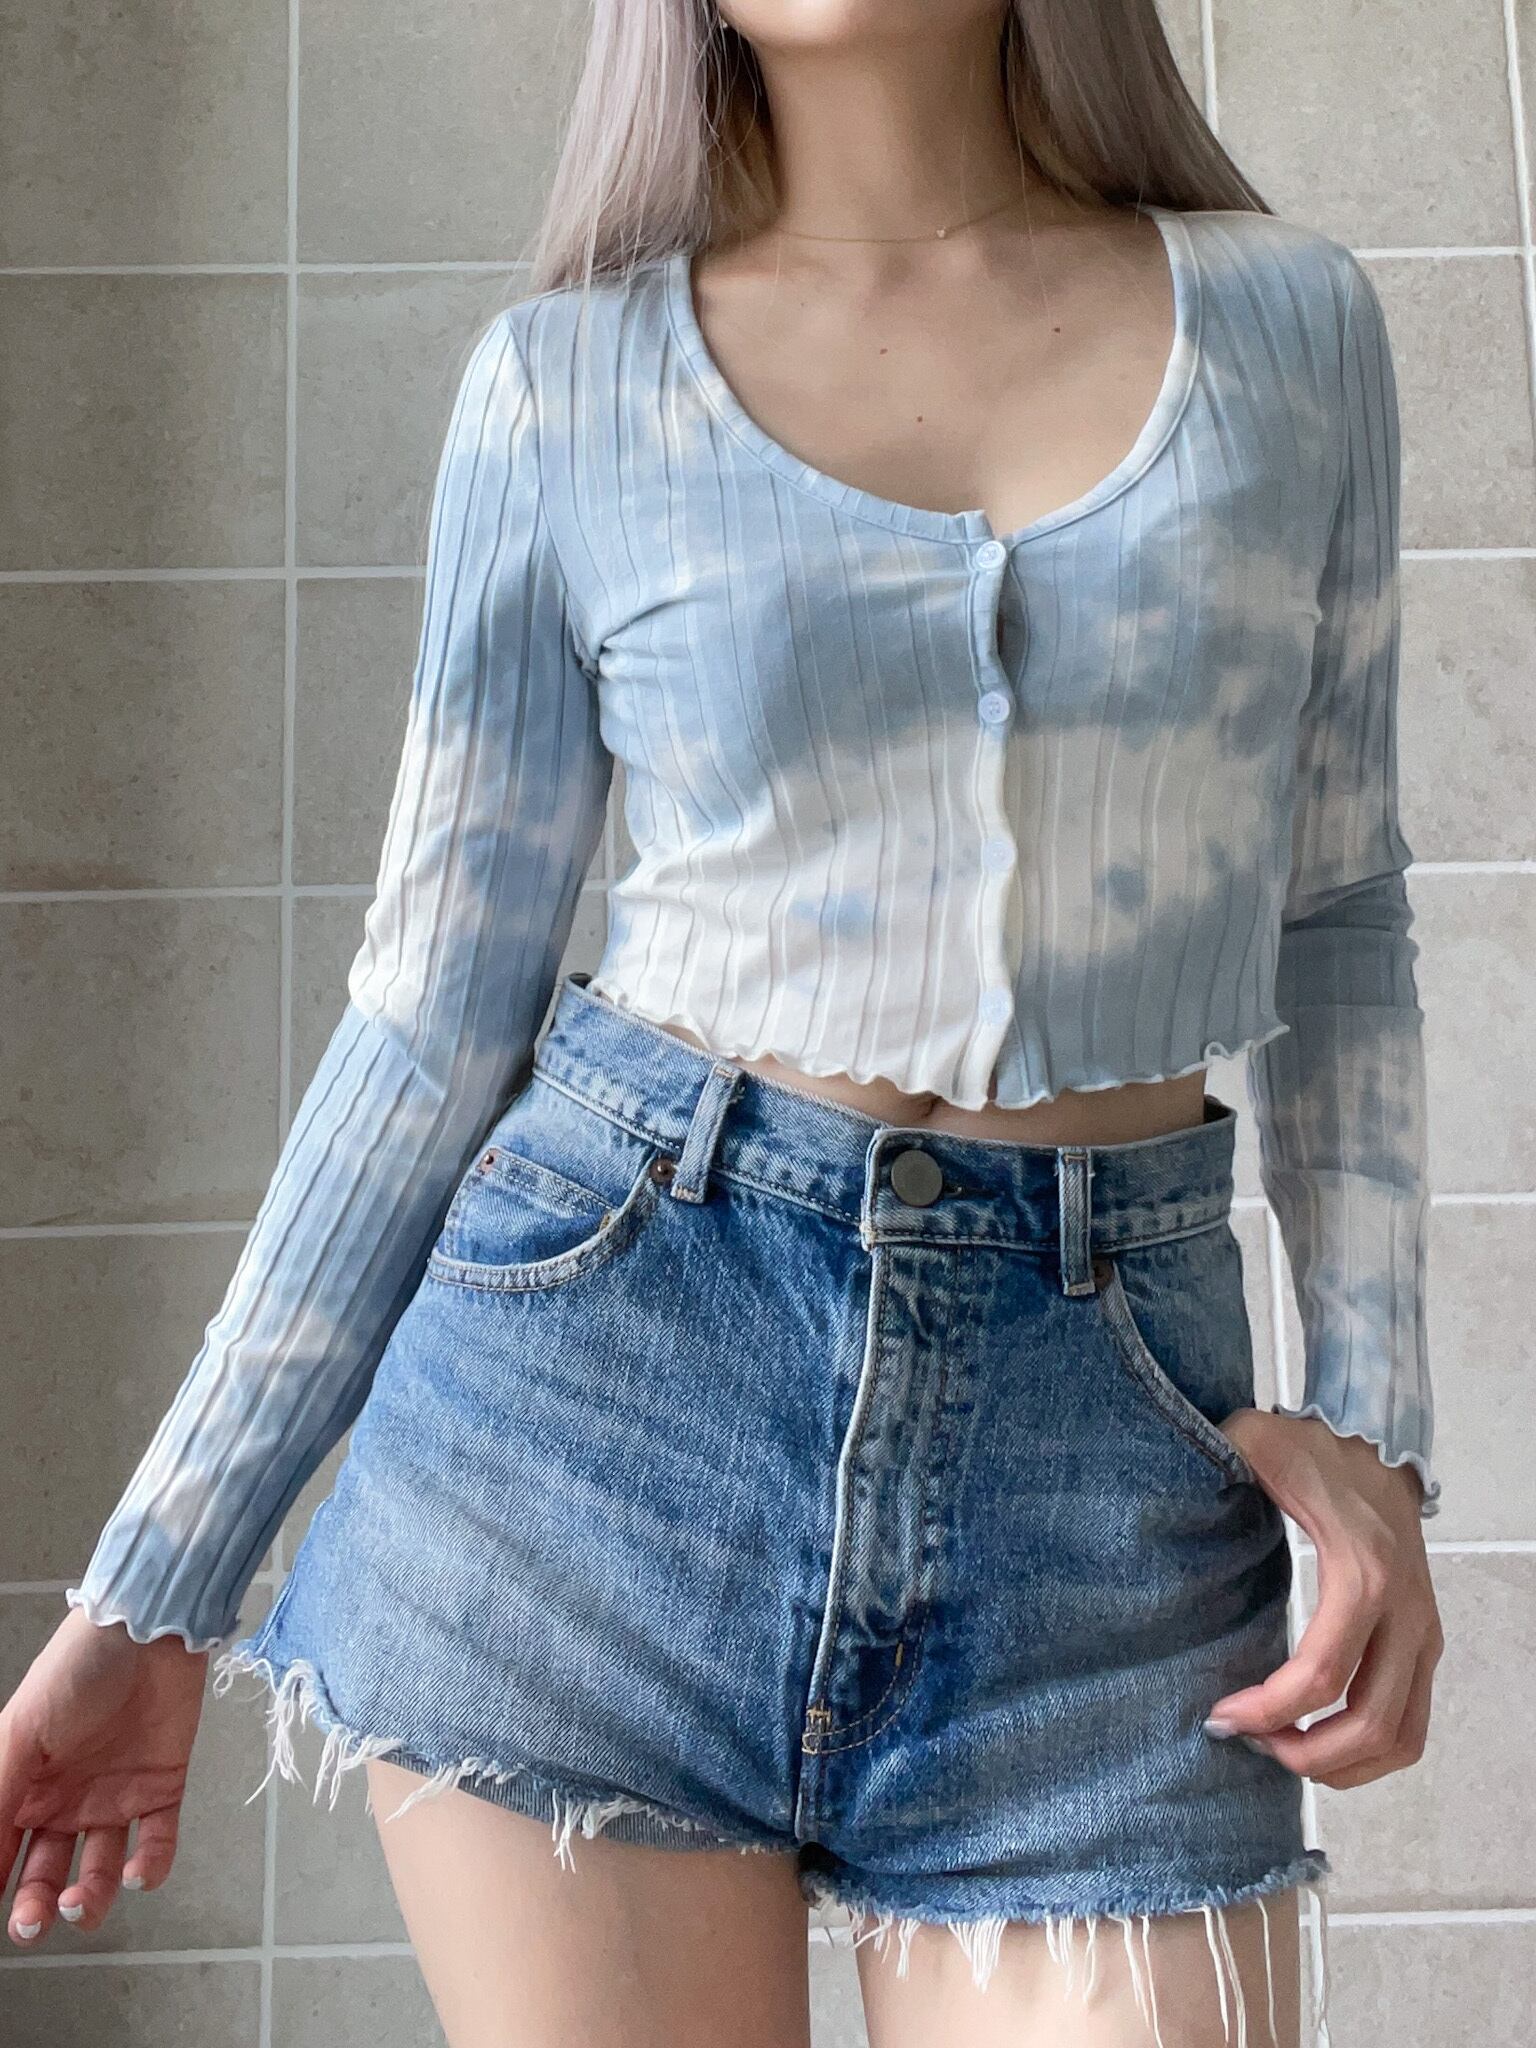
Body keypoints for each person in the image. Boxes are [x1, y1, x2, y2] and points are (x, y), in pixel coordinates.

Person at [1, 3, 1444, 2044]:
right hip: (592, 1432)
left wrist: (1375, 1431)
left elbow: (1340, 905)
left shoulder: (1291, 328)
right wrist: (157, 1581)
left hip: (1110, 1480)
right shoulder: (563, 385)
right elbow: (431, 1015)